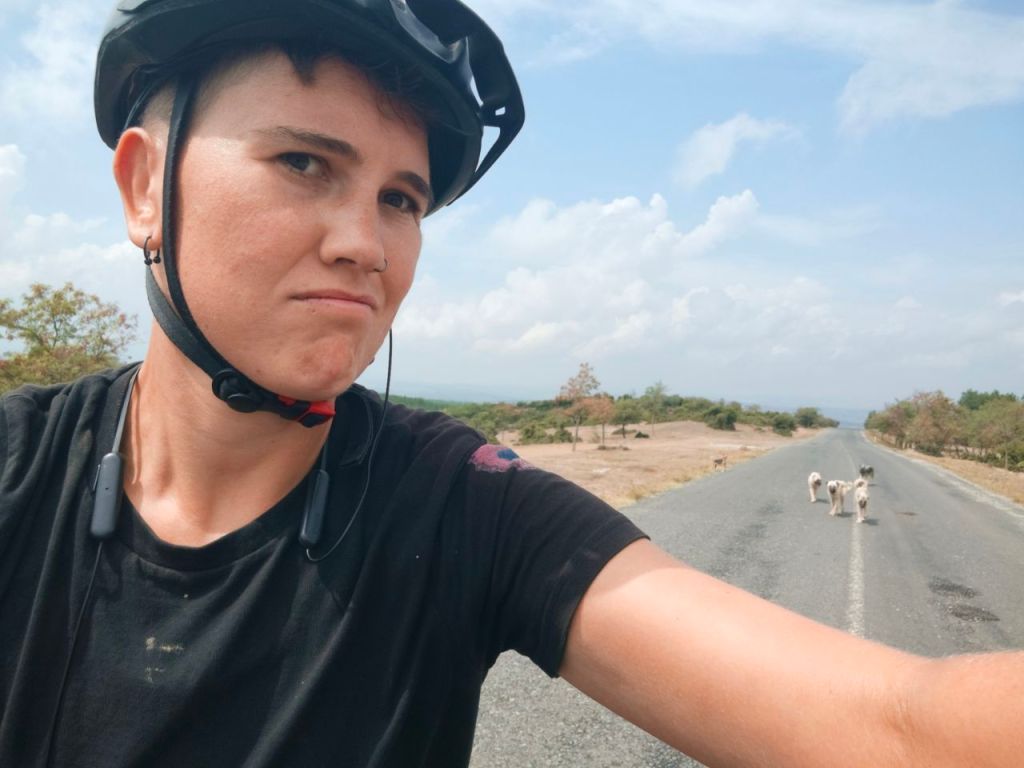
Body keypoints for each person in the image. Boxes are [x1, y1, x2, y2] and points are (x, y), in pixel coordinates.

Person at [0, 1, 1020, 766]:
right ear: (144, 185)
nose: (366, 244)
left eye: (402, 199)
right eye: (304, 163)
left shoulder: (465, 504)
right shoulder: (17, 469)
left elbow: (894, 725)